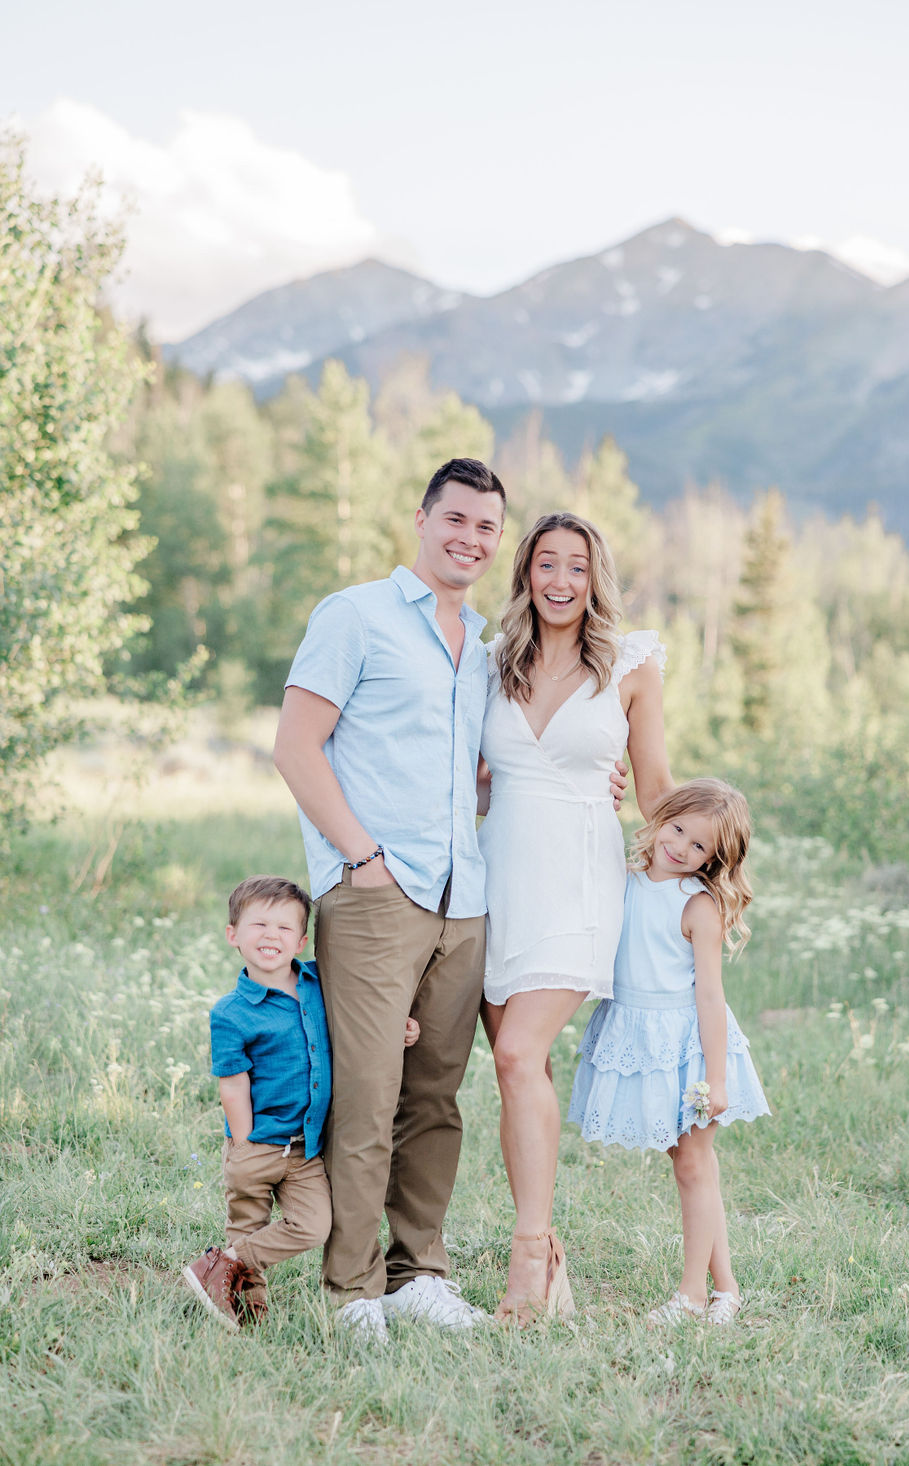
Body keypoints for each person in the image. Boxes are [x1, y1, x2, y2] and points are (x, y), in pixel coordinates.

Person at [273, 458, 506, 1342]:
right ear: (421, 518)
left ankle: (421, 1276)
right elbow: (298, 747)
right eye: (456, 519)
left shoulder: (479, 650)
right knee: (367, 1097)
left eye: (486, 527)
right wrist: (361, 859)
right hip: (376, 894)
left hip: (462, 901)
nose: (469, 539)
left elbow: (466, 783)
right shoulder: (355, 615)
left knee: (435, 1100)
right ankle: (354, 1293)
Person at [477, 511, 674, 1323]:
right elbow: (479, 779)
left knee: (521, 1057)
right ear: (525, 573)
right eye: (546, 564)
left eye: (578, 568)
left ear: (596, 581)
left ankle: (528, 1262)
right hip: (498, 885)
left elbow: (656, 787)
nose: (561, 581)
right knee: (517, 1073)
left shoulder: (631, 665)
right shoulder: (491, 663)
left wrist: (699, 866)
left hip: (581, 886)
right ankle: (547, 1252)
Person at [568, 779, 770, 1325]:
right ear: (662, 818)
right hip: (637, 1034)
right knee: (691, 1164)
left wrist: (718, 1076)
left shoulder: (697, 906)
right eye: (677, 829)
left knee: (692, 1164)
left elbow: (710, 995)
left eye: (698, 845)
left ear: (715, 859)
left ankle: (691, 1295)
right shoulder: (627, 882)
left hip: (688, 1046)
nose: (680, 847)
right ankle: (725, 1289)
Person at [183, 876, 414, 1328]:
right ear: (233, 934)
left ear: (303, 940)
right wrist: (246, 1141)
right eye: (259, 925)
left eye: (285, 928)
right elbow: (232, 1082)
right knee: (247, 1222)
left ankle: (222, 1262)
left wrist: (394, 1028)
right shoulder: (230, 1012)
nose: (271, 936)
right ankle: (247, 1313)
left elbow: (362, 1015)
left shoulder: (318, 983)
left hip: (305, 1148)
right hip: (255, 1144)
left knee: (314, 1225)